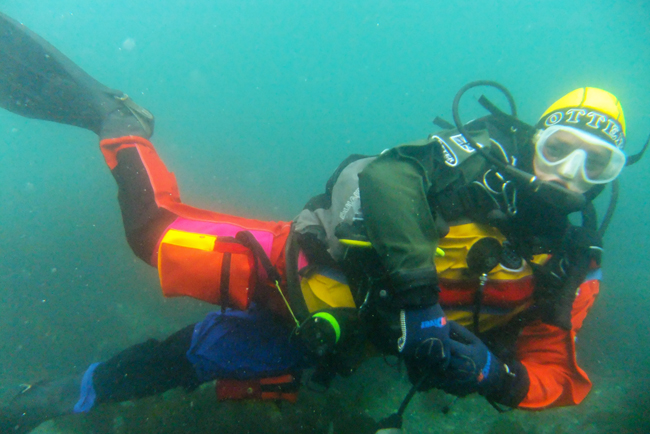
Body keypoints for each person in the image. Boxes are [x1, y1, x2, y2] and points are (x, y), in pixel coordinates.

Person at [0, 11, 645, 434]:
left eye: (596, 163)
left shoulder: (572, 259)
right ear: (534, 141)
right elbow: (386, 179)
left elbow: (558, 369)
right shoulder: (466, 168)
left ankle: (58, 395)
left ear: (613, 175)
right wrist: (422, 311)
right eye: (558, 149)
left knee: (197, 356)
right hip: (300, 264)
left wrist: (495, 377)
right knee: (153, 236)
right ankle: (115, 120)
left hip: (337, 334)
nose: (568, 173)